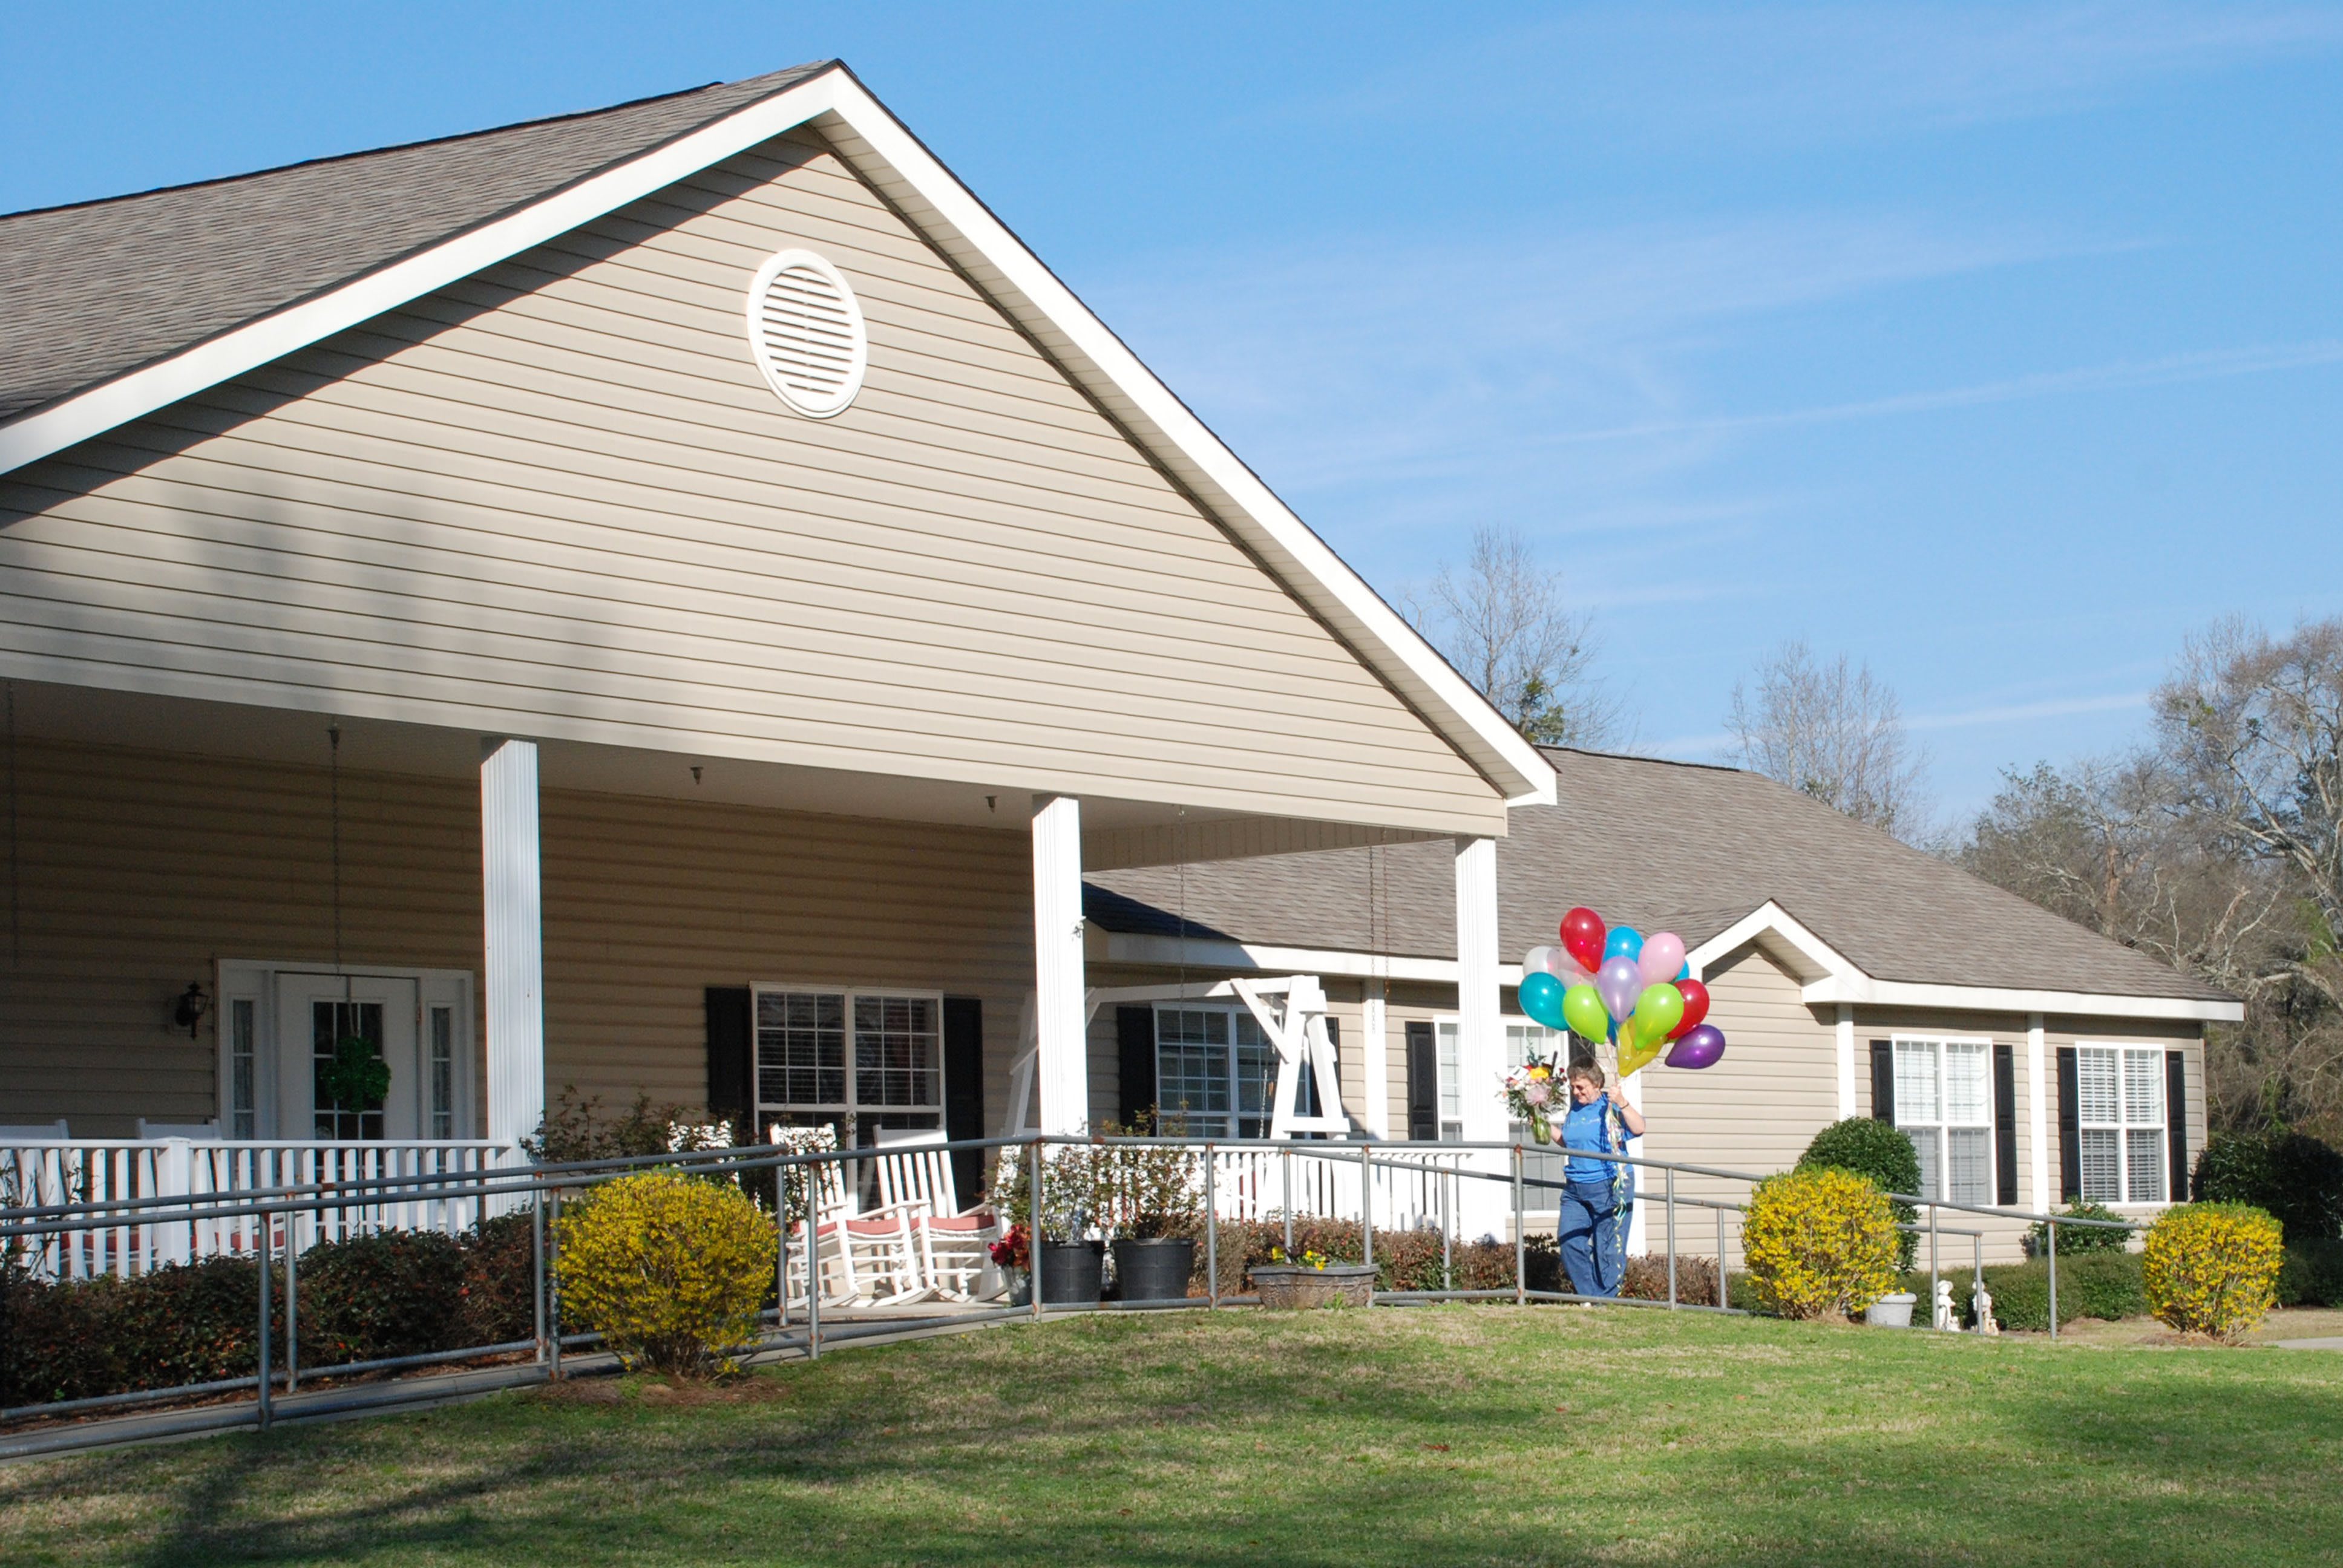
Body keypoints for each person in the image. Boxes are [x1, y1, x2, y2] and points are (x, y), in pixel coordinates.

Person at [1555, 1060, 1645, 1298]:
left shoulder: (1609, 1105)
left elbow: (1639, 1128)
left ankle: (1605, 1300)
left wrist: (1623, 1103)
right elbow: (1568, 1141)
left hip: (1610, 1184)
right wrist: (1542, 1124)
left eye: (1581, 1087)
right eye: (1573, 1087)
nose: (1576, 1092)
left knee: (1608, 1248)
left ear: (1597, 1084)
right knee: (1569, 1241)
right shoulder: (1575, 1110)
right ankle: (1590, 1296)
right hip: (1576, 1186)